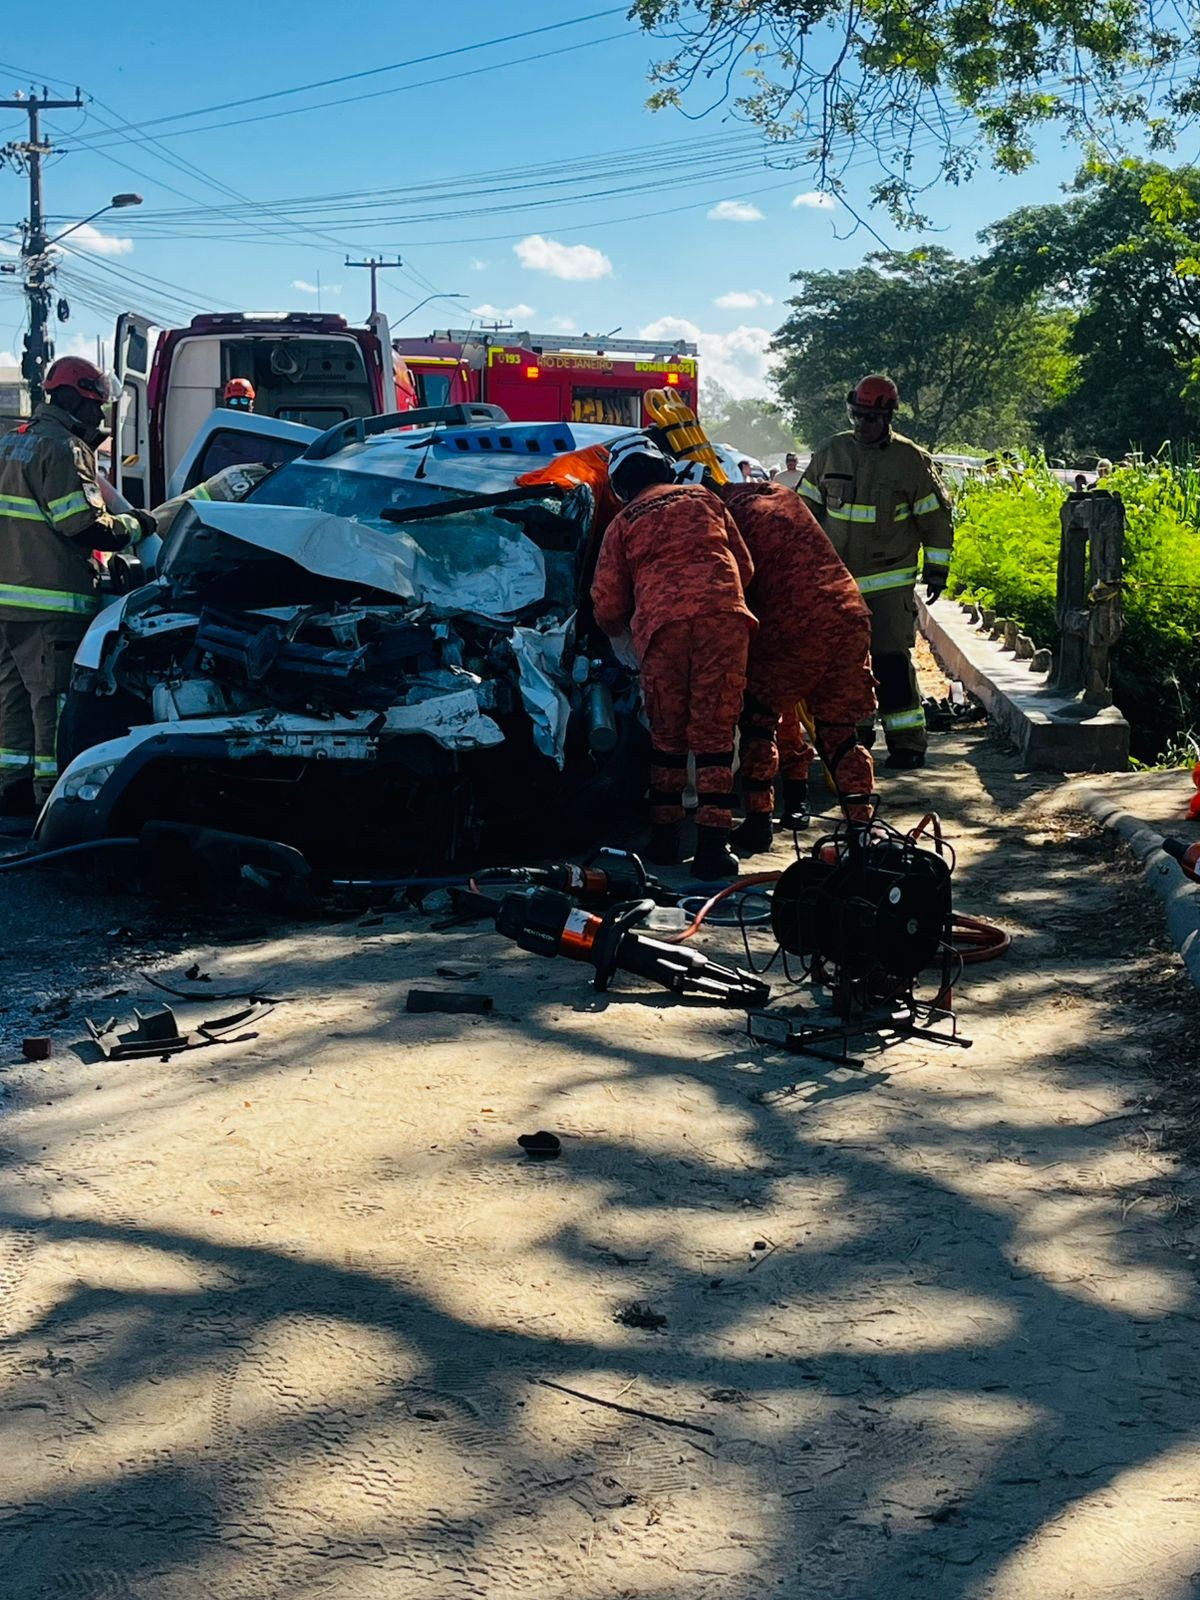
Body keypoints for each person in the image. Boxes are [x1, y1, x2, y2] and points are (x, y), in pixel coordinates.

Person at [590, 435, 755, 878]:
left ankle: (664, 841)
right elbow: (745, 566)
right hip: (725, 619)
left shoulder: (622, 523)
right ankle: (712, 849)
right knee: (715, 736)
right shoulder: (705, 499)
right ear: (662, 468)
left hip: (662, 630)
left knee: (667, 737)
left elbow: (607, 605)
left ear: (621, 486)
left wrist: (619, 635)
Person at [0, 356, 155, 814]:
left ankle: (11, 786)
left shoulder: (11, 442)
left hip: (7, 599)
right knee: (52, 699)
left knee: (11, 695)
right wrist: (137, 525)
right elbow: (83, 527)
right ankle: (51, 799)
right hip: (50, 602)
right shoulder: (63, 449)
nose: (99, 418)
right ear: (69, 398)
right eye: (93, 406)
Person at [800, 374, 953, 771]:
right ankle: (855, 741)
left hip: (890, 582)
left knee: (890, 662)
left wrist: (937, 570)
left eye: (870, 418)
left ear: (887, 417)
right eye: (857, 415)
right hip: (838, 583)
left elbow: (934, 520)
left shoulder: (909, 460)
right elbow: (802, 514)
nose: (862, 425)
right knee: (846, 664)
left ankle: (907, 744)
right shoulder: (831, 452)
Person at [716, 478, 877, 853]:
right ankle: (861, 829)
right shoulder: (781, 496)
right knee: (840, 730)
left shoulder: (724, 514)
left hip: (793, 623)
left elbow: (735, 578)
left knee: (758, 718)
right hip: (849, 613)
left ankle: (757, 822)